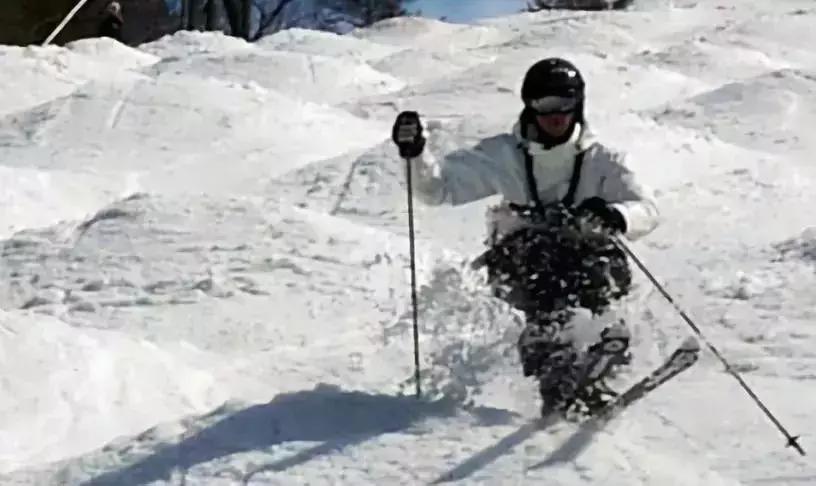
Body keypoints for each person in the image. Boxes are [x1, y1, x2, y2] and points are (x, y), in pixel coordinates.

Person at [391, 57, 660, 417]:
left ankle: (598, 353)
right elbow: (439, 189)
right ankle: (553, 360)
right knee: (541, 256)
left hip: (584, 256)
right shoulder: (504, 155)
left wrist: (616, 215)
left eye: (564, 105)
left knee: (601, 260)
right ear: (529, 106)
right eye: (544, 106)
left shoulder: (601, 159)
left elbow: (646, 208)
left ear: (577, 105)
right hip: (520, 264)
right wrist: (416, 156)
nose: (555, 116)